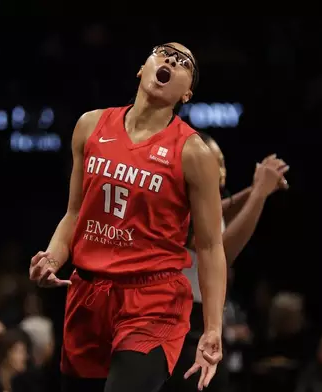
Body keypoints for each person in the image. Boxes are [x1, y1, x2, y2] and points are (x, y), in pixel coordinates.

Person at [30, 42, 286, 392]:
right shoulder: (90, 126)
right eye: (163, 53)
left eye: (183, 63)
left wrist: (213, 328)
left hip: (152, 300)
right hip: (87, 294)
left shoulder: (194, 153)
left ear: (187, 93)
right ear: (142, 68)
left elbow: (212, 247)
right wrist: (53, 257)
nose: (170, 61)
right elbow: (75, 213)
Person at [164, 132, 289, 392]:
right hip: (181, 330)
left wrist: (254, 189)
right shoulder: (179, 206)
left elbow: (222, 208)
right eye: (213, 162)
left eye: (222, 162)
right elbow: (224, 253)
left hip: (197, 325)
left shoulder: (206, 204)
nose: (221, 169)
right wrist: (259, 195)